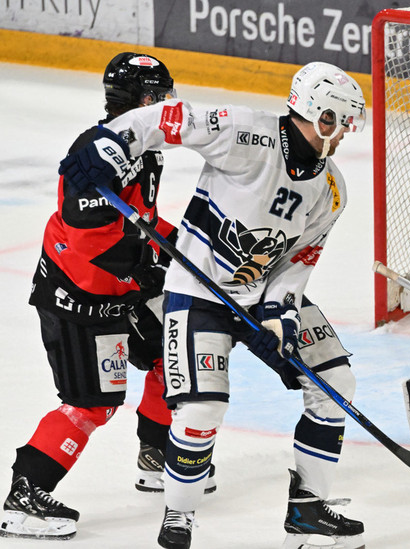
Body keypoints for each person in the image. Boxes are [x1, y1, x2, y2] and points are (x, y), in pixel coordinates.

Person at [55, 61, 367, 549]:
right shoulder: (246, 133)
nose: (343, 132)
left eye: (348, 124)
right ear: (313, 113)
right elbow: (165, 119)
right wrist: (108, 146)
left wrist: (279, 317)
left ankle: (308, 510)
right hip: (199, 291)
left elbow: (300, 260)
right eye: (336, 121)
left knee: (335, 383)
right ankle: (178, 516)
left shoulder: (332, 189)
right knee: (201, 410)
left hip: (263, 294)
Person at [0, 52, 213, 541]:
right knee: (90, 404)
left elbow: (139, 218)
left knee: (172, 356)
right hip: (81, 296)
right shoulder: (97, 154)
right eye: (159, 98)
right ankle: (24, 496)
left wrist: (178, 245)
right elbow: (88, 240)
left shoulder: (143, 148)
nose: (167, 107)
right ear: (142, 100)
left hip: (123, 290)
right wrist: (149, 263)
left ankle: (158, 457)